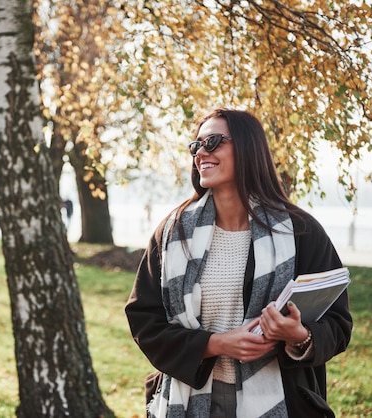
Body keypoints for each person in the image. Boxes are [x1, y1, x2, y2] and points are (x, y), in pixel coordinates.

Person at [124, 108, 352, 418]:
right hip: (190, 399)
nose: (201, 152)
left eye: (214, 141)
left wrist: (298, 335)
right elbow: (144, 320)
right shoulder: (173, 233)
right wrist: (215, 344)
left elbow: (337, 323)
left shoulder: (301, 231)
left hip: (281, 399)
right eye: (196, 145)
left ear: (247, 148)